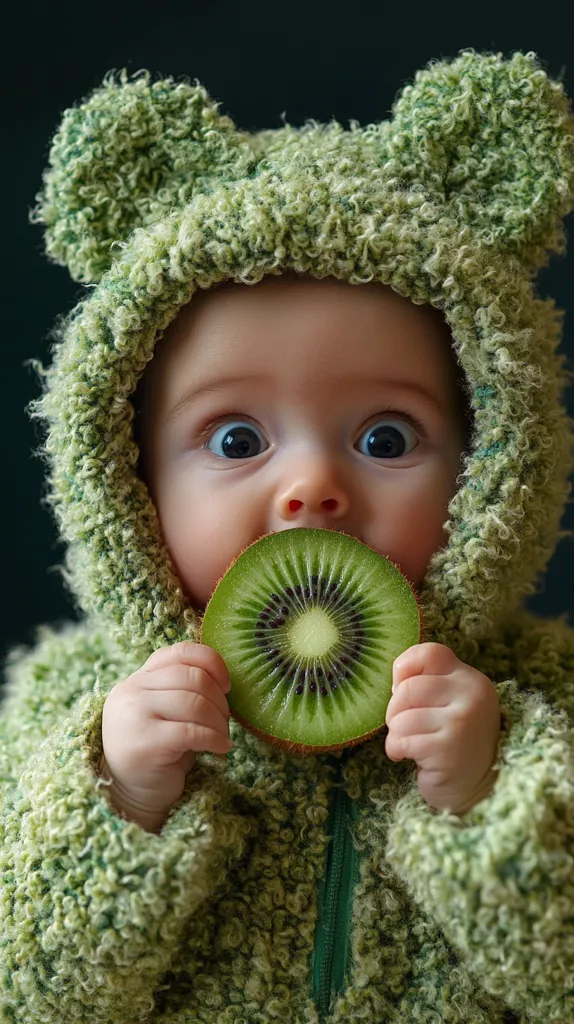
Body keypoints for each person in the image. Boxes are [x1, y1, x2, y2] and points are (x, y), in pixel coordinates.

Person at [2, 47, 574, 1023]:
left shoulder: (542, 702)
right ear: (125, 478)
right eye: (236, 438)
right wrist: (119, 798)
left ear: (491, 465)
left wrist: (487, 800)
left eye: (385, 436)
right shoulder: (67, 707)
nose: (311, 487)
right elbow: (26, 992)